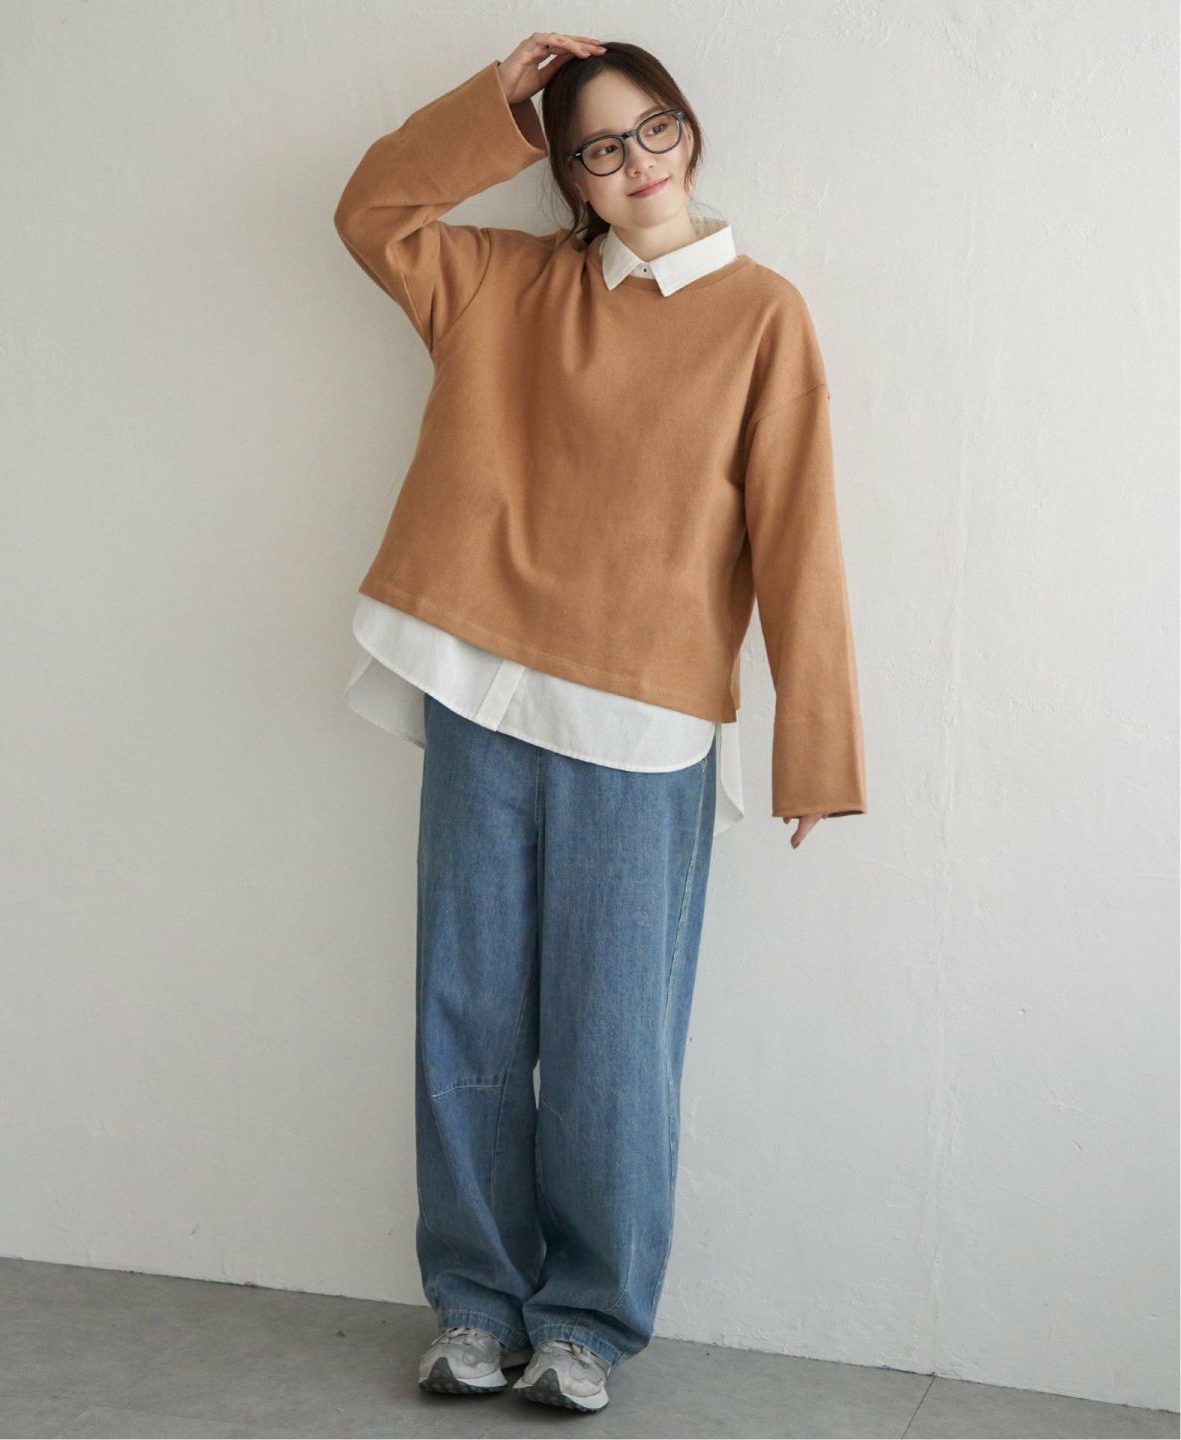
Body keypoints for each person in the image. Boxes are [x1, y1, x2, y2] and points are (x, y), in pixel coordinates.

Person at [333, 31, 867, 1415]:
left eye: (655, 130)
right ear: (566, 174)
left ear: (689, 130)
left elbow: (799, 539)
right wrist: (497, 103)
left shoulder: (762, 315)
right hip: (484, 691)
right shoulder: (505, 284)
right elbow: (374, 210)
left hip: (646, 726)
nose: (638, 165)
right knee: (465, 1008)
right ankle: (472, 1304)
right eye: (599, 148)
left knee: (615, 1042)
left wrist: (815, 747)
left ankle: (585, 1322)